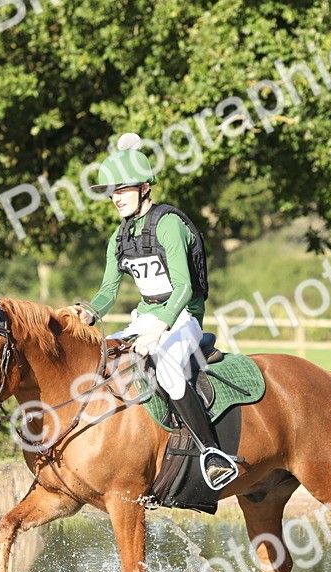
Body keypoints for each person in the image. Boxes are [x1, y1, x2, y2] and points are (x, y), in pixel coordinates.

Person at [69, 133, 239, 490]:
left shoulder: (169, 225)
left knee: (168, 368)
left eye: (122, 189)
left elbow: (184, 289)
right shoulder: (119, 236)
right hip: (145, 318)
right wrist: (87, 312)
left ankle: (213, 454)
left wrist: (160, 328)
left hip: (183, 318)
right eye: (111, 191)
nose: (115, 196)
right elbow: (108, 292)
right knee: (100, 358)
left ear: (145, 188)